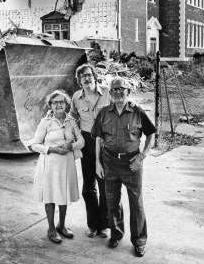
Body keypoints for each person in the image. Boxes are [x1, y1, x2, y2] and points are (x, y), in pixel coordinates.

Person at [91, 77, 157, 258]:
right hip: (109, 162)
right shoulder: (104, 113)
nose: (118, 93)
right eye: (114, 90)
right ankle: (116, 234)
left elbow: (151, 134)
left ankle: (139, 241)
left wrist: (142, 156)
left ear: (128, 92)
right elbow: (98, 138)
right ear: (110, 93)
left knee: (136, 204)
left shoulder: (138, 112)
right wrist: (97, 162)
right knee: (112, 202)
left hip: (131, 164)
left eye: (122, 90)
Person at [30, 90, 85, 244]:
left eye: (62, 102)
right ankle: (51, 228)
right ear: (51, 105)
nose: (59, 105)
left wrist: (71, 145)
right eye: (55, 102)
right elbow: (34, 145)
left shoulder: (71, 121)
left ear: (67, 104)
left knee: (63, 194)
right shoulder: (45, 122)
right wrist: (52, 149)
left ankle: (62, 225)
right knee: (50, 195)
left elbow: (81, 141)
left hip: (66, 164)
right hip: (50, 164)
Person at [70, 63, 114, 238]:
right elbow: (73, 116)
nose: (86, 79)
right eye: (82, 77)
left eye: (89, 75)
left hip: (105, 142)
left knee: (104, 185)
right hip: (87, 142)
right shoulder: (76, 97)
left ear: (95, 76)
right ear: (79, 81)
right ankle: (93, 225)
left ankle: (104, 224)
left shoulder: (107, 93)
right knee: (88, 186)